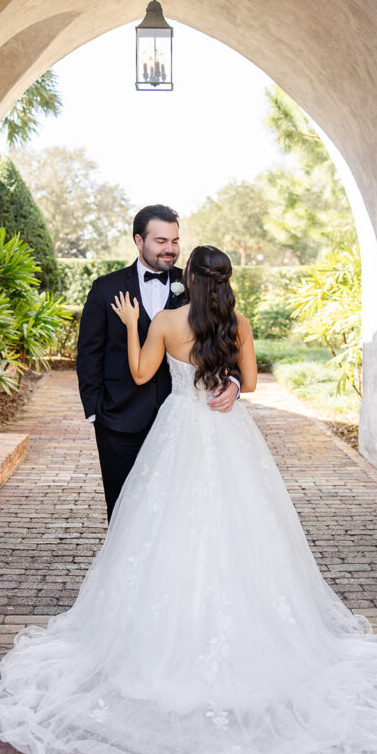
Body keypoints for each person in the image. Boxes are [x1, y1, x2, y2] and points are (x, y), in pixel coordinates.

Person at [0, 245, 377, 754]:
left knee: (167, 536)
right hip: (228, 436)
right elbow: (248, 384)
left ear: (190, 281)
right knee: (247, 534)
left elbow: (139, 372)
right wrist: (225, 388)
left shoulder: (168, 321)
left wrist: (132, 325)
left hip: (178, 432)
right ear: (225, 282)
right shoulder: (238, 322)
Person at [76, 204, 239, 520]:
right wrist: (96, 411)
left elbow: (225, 338)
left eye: (175, 241)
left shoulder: (195, 282)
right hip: (118, 421)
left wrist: (234, 382)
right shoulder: (106, 287)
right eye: (161, 241)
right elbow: (89, 353)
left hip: (181, 423)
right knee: (123, 510)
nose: (171, 250)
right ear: (139, 241)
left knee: (175, 513)